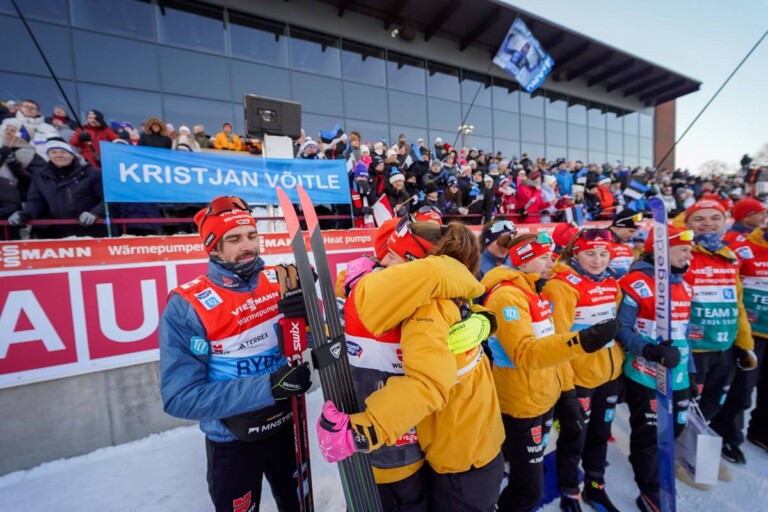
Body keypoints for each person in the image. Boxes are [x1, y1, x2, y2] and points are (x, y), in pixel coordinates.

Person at [317, 221, 505, 512]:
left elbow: (428, 383)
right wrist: (486, 318)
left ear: (413, 265)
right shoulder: (445, 291)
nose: (381, 260)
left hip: (460, 460)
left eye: (391, 255)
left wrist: (362, 430)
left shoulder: (428, 308)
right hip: (468, 446)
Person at [159, 196, 312, 512]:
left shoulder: (282, 279)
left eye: (252, 236)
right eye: (234, 239)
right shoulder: (187, 305)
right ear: (213, 247)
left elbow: (311, 338)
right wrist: (269, 386)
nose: (248, 246)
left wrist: (310, 317)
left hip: (288, 426)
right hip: (232, 440)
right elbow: (180, 396)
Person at [482, 233, 617, 511]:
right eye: (544, 256)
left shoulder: (531, 289)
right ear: (524, 259)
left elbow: (548, 346)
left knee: (529, 476)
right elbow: (525, 352)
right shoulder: (507, 296)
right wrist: (583, 340)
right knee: (529, 491)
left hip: (543, 395)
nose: (552, 262)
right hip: (523, 403)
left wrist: (565, 393)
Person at [543, 228, 625, 512]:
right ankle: (569, 491)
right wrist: (566, 389)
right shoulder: (561, 285)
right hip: (578, 379)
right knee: (573, 437)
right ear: (575, 252)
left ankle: (595, 485)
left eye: (604, 253)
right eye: (590, 253)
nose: (598, 260)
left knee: (600, 434)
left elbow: (615, 326)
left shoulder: (612, 281)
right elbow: (556, 343)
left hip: (609, 374)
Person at [616, 226, 695, 510]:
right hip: (645, 373)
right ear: (662, 251)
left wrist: (693, 371)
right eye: (683, 249)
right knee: (649, 434)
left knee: (676, 426)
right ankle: (649, 488)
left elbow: (684, 333)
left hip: (680, 374)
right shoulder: (635, 283)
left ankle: (650, 463)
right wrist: (649, 350)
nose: (689, 255)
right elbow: (622, 329)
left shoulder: (685, 284)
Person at [681, 199, 755, 481]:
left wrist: (744, 343)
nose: (708, 223)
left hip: (723, 346)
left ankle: (698, 451)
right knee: (688, 406)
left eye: (715, 218)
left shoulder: (729, 256)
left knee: (712, 405)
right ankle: (681, 454)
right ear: (687, 223)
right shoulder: (682, 252)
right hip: (694, 348)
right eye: (699, 219)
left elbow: (737, 304)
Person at [709, 223, 768, 465]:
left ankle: (762, 432)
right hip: (751, 332)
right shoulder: (742, 249)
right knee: (742, 389)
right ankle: (727, 433)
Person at [7, 140, 106, 239]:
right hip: (58, 232)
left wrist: (96, 213)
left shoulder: (92, 173)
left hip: (90, 230)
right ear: (48, 156)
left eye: (63, 152)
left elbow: (107, 199)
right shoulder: (41, 175)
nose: (59, 155)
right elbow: (36, 201)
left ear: (72, 154)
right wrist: (25, 214)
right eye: (53, 152)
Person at [608, 208, 642, 278]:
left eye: (635, 232)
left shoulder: (627, 243)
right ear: (617, 227)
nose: (633, 235)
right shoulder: (599, 240)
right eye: (631, 231)